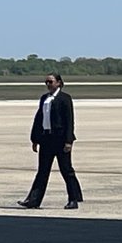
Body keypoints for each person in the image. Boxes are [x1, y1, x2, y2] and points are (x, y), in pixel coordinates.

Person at [18, 73, 83, 209]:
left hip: (60, 140)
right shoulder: (44, 99)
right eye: (46, 82)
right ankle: (33, 201)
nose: (48, 84)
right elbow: (38, 119)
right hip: (46, 139)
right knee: (42, 171)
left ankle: (73, 199)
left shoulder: (65, 99)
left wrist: (68, 141)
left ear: (59, 82)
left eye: (51, 82)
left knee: (66, 170)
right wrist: (35, 138)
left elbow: (69, 121)